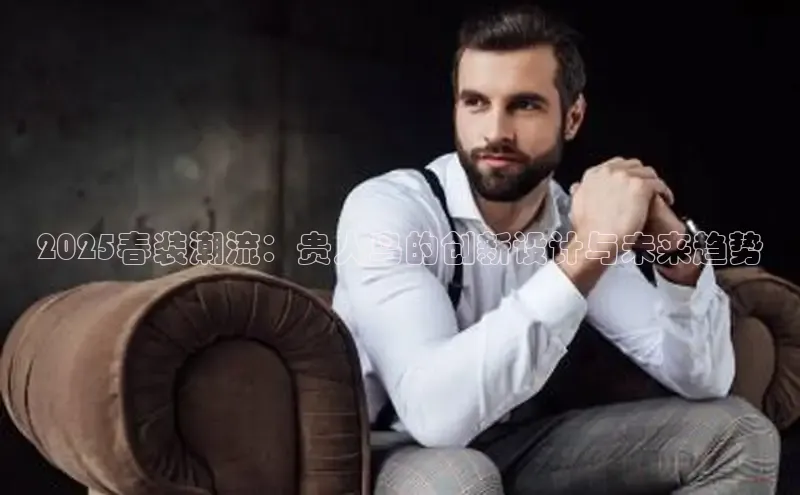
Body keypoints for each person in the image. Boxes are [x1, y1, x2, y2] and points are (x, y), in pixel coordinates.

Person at [331, 4, 780, 494]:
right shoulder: (389, 209)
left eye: (524, 105)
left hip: (521, 441)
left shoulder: (576, 221)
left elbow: (704, 379)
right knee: (461, 479)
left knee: (739, 433)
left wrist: (679, 257)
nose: (495, 131)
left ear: (573, 117)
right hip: (395, 446)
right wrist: (584, 255)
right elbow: (433, 416)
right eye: (476, 102)